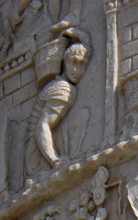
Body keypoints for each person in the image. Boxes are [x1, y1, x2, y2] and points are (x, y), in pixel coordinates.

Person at [27, 36, 91, 169]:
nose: (77, 70)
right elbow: (42, 125)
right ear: (64, 62)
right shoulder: (63, 88)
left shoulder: (60, 84)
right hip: (38, 161)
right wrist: (54, 161)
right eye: (73, 62)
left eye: (82, 64)